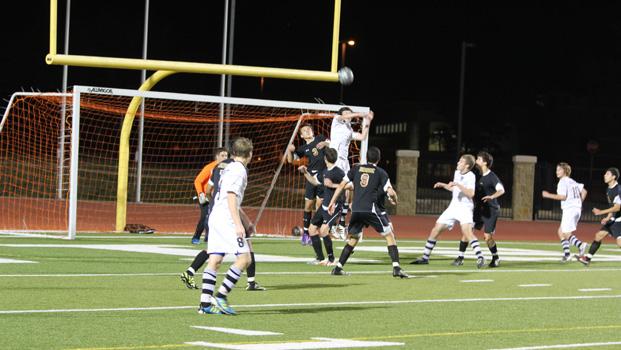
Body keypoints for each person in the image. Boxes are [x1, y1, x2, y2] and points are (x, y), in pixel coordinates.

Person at [182, 152, 265, 292]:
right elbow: (231, 196)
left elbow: (209, 189)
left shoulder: (217, 167)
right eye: (221, 155)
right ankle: (229, 292)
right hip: (228, 215)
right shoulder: (237, 168)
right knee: (246, 251)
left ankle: (194, 278)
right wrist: (243, 221)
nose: (223, 157)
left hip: (216, 213)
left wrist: (212, 202)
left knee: (215, 252)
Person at [327, 146, 409, 278]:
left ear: (366, 157)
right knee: (389, 235)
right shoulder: (381, 172)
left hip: (356, 209)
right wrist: (395, 199)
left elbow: (343, 185)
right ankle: (396, 267)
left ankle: (338, 267)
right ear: (379, 158)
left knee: (354, 238)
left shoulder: (356, 169)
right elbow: (390, 191)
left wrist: (332, 201)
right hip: (370, 209)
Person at [197, 137, 257, 315]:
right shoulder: (239, 170)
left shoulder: (227, 167)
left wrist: (246, 221)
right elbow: (231, 196)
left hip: (215, 216)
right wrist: (239, 225)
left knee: (215, 260)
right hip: (227, 219)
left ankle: (205, 304)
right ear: (250, 154)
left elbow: (218, 194)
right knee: (245, 258)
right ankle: (221, 295)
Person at [411, 154, 486, 268]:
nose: (458, 163)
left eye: (460, 162)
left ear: (466, 165)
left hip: (465, 208)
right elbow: (454, 189)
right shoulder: (457, 172)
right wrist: (443, 185)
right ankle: (425, 258)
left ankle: (480, 257)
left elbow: (471, 193)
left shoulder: (470, 176)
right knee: (436, 229)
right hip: (453, 206)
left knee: (467, 232)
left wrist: (457, 184)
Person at [452, 151, 505, 268]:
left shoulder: (492, 177)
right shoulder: (475, 174)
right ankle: (460, 257)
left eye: (479, 159)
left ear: (485, 162)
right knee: (467, 231)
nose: (476, 161)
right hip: (479, 209)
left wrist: (492, 196)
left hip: (491, 210)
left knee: (487, 237)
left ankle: (496, 258)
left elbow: (501, 190)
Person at [329, 107, 374, 238]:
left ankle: (342, 224)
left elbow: (362, 136)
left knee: (350, 189)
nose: (349, 115)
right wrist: (361, 114)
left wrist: (367, 122)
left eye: (350, 113)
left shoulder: (348, 129)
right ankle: (330, 224)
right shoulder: (336, 121)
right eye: (346, 113)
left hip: (344, 163)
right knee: (333, 192)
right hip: (335, 161)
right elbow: (343, 116)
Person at [298, 147, 343, 265]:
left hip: (334, 206)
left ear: (324, 158)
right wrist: (305, 172)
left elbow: (350, 186)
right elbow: (314, 181)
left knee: (323, 231)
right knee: (312, 229)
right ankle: (320, 258)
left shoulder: (338, 172)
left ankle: (332, 259)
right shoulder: (324, 172)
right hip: (324, 206)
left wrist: (333, 185)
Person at [285, 123, 329, 246]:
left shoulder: (320, 138)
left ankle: (315, 231)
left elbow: (332, 144)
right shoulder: (303, 148)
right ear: (302, 135)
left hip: (323, 176)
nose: (308, 130)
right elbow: (290, 160)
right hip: (311, 177)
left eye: (309, 129)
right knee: (308, 205)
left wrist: (326, 144)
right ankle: (305, 234)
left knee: (320, 205)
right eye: (305, 130)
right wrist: (289, 150)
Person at [542, 162, 588, 262]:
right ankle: (567, 255)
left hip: (570, 209)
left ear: (565, 171)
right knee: (560, 231)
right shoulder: (572, 181)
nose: (556, 172)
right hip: (576, 209)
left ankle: (580, 245)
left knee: (566, 233)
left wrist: (548, 195)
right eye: (556, 170)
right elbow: (584, 191)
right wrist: (579, 203)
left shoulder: (562, 182)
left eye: (559, 170)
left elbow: (563, 197)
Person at [577, 167, 621, 265]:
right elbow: (612, 206)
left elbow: (618, 207)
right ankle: (587, 259)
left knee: (619, 243)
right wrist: (607, 217)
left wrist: (601, 212)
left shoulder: (618, 189)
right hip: (613, 219)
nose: (605, 175)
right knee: (598, 236)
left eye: (608, 174)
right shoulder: (609, 189)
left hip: (619, 220)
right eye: (605, 174)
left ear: (614, 177)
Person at [191, 148, 229, 244]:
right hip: (205, 195)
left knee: (216, 217)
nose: (225, 157)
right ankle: (196, 237)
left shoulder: (228, 167)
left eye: (226, 155)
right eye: (222, 155)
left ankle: (209, 237)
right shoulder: (210, 167)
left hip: (216, 196)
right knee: (205, 216)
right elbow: (198, 181)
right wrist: (200, 194)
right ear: (217, 157)